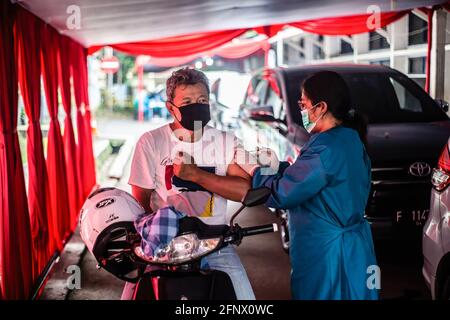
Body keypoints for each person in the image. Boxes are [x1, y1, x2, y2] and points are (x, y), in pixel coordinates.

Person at [125, 67, 255, 300]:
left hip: (214, 242)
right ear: (170, 107)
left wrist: (196, 175)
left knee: (245, 299)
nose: (196, 105)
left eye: (202, 100)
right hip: (165, 245)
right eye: (187, 101)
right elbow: (140, 201)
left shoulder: (225, 142)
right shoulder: (151, 142)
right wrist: (152, 238)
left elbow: (244, 190)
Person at [251, 71, 379, 300]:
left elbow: (282, 193)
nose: (302, 110)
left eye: (303, 104)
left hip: (328, 253)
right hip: (353, 247)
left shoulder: (326, 148)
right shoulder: (349, 139)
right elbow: (303, 176)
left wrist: (255, 171)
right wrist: (275, 166)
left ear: (320, 107)